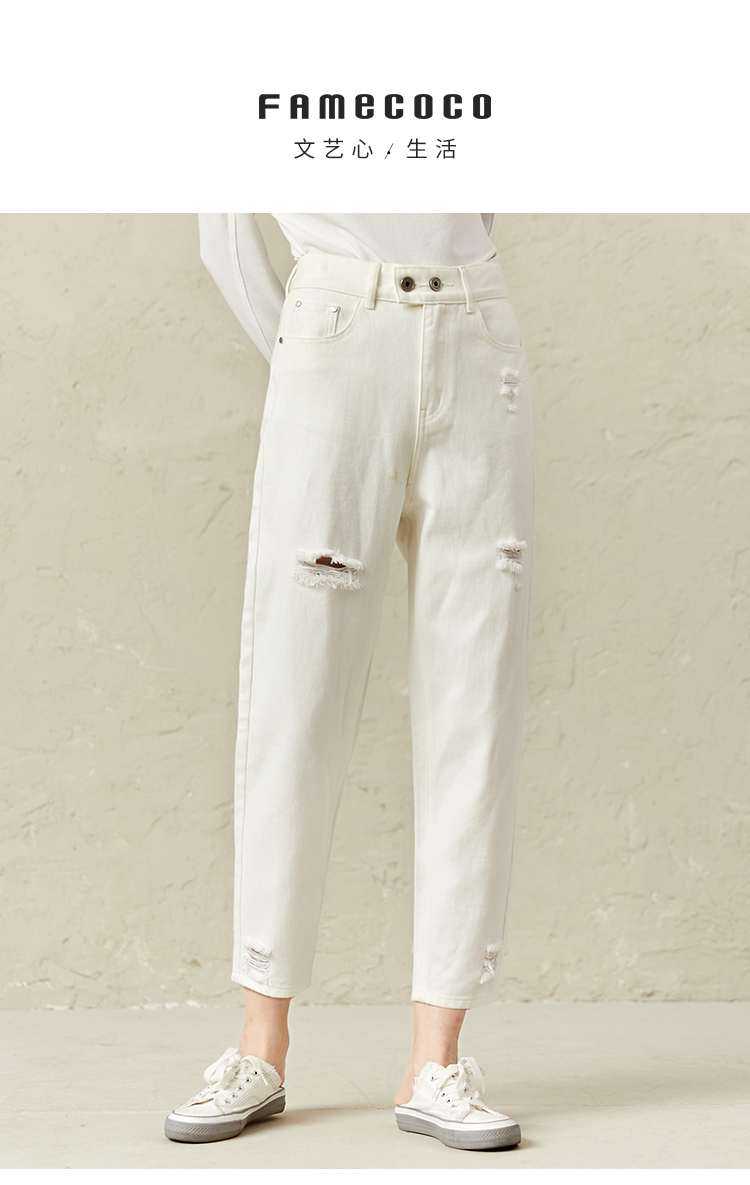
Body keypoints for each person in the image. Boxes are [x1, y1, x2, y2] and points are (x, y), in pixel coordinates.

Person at [164, 214, 534, 1151]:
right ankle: (261, 1043)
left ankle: (436, 1060)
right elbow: (224, 231)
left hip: (477, 330)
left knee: (476, 699)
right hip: (334, 330)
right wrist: (310, 350)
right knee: (297, 699)